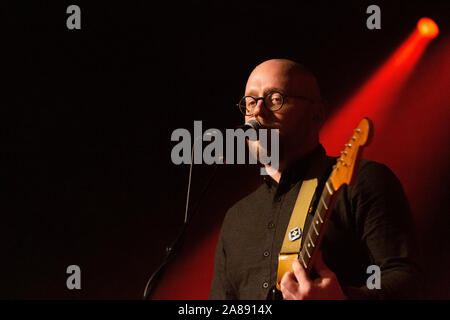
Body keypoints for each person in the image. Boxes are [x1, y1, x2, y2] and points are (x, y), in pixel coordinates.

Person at [209, 59, 424, 300]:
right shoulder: (237, 218)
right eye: (250, 102)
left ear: (317, 114)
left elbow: (409, 282)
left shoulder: (360, 180)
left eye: (275, 99)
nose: (257, 112)